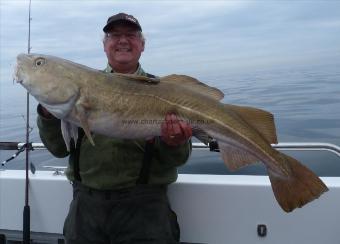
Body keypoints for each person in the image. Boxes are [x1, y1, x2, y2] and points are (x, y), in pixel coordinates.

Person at [37, 13, 192, 244]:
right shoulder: (80, 91)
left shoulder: (166, 91)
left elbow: (179, 158)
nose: (122, 40)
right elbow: (59, 150)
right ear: (104, 45)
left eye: (130, 35)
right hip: (85, 211)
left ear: (142, 45)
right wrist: (48, 114)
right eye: (114, 35)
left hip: (145, 213)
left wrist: (173, 142)